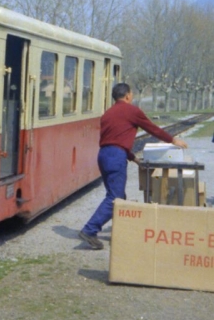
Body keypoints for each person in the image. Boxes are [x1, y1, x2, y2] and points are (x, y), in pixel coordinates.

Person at [78, 83, 188, 250]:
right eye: (132, 94)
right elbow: (152, 129)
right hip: (116, 156)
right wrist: (173, 140)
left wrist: (132, 158)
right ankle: (90, 229)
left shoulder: (107, 114)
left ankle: (121, 230)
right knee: (116, 198)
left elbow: (113, 139)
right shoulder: (132, 111)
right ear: (128, 96)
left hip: (104, 155)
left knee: (115, 194)